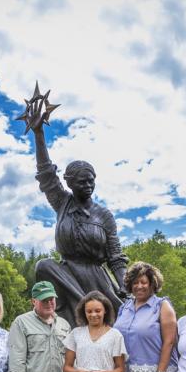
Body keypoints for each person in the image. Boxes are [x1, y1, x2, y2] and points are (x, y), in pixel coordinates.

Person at [29, 109, 129, 326]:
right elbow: (46, 174)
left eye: (91, 180)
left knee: (125, 318)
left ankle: (91, 309)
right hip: (67, 275)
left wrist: (125, 285)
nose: (88, 185)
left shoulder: (104, 215)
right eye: (83, 182)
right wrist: (38, 134)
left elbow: (115, 256)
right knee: (43, 266)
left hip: (96, 277)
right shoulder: (62, 202)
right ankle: (81, 309)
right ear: (70, 183)